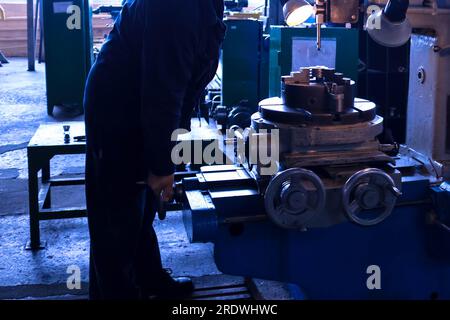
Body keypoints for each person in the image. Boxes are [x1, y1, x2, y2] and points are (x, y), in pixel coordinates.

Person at [84, 0, 225, 299]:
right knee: (116, 216)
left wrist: (168, 151)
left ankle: (147, 278)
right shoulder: (176, 7)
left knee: (143, 204)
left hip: (142, 106)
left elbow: (180, 78)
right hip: (117, 112)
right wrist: (162, 166)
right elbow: (163, 92)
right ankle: (117, 293)